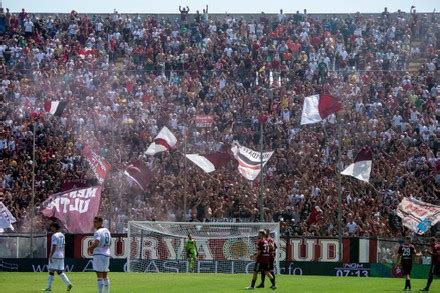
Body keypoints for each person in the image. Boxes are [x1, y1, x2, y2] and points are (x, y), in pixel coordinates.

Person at [43, 222, 72, 292]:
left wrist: (50, 255)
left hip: (55, 255)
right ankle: (68, 284)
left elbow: (54, 246)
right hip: (61, 255)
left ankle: (49, 287)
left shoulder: (54, 235)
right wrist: (63, 255)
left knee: (51, 271)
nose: (51, 228)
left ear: (54, 227)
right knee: (59, 271)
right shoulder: (62, 235)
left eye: (52, 227)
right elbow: (64, 246)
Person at [88, 216, 111, 293]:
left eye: (96, 222)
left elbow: (97, 243)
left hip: (99, 254)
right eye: (94, 222)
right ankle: (107, 292)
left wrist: (90, 248)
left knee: (99, 275)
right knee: (105, 275)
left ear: (101, 222)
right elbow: (110, 243)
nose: (94, 224)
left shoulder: (98, 232)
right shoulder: (107, 231)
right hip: (106, 254)